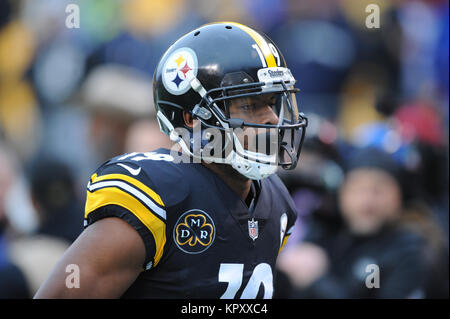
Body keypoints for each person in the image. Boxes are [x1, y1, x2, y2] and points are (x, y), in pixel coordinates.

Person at [34, 22, 308, 299]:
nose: (272, 118)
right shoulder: (157, 194)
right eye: (250, 105)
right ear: (192, 120)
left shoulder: (276, 201)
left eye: (272, 102)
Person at [277, 147, 430, 298]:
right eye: (357, 189)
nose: (366, 201)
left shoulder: (409, 249)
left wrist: (317, 281)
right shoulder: (327, 233)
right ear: (342, 194)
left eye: (378, 190)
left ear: (399, 195)